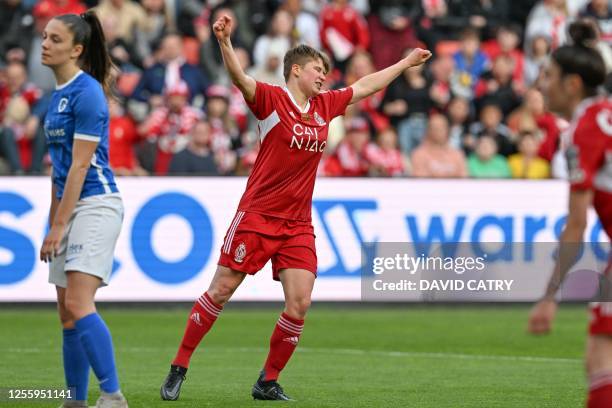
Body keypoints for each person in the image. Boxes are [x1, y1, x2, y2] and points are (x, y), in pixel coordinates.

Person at [160, 13, 431, 402]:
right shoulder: (271, 99)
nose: (324, 76)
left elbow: (364, 86)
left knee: (300, 303)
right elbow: (240, 79)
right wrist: (224, 43)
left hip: (297, 224)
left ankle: (267, 381)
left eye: (326, 71)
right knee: (220, 291)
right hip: (257, 215)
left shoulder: (324, 106)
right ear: (297, 70)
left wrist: (405, 63)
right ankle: (179, 366)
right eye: (318, 70)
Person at [38, 11, 127, 408]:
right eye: (44, 36)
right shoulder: (57, 96)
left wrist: (59, 225)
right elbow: (59, 170)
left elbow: (79, 166)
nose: (45, 43)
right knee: (66, 314)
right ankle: (74, 401)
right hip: (68, 204)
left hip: (96, 202)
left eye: (55, 39)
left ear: (76, 49)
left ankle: (113, 396)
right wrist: (53, 221)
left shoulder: (86, 92)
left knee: (78, 302)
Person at [526, 21, 612, 408]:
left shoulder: (582, 131)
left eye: (550, 77)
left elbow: (576, 224)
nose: (542, 86)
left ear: (572, 84)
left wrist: (549, 296)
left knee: (600, 356)